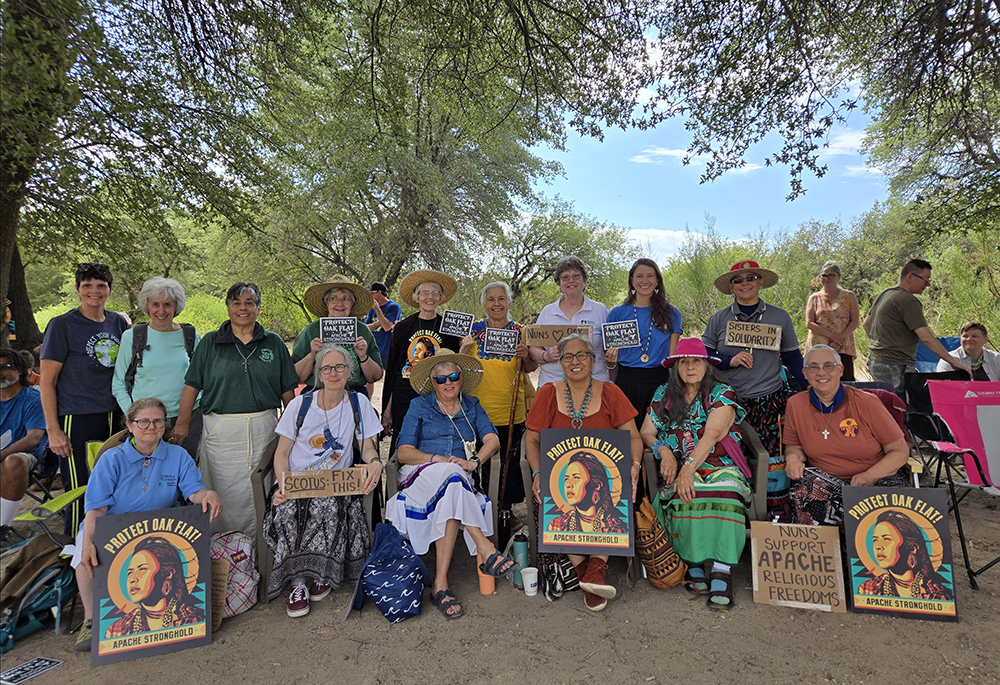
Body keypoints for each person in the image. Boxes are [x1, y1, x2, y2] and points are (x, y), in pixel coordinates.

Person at [71, 397, 221, 651]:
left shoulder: (178, 455)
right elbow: (96, 508)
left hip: (161, 525)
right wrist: (88, 542)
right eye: (143, 422)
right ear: (129, 425)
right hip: (114, 524)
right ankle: (90, 619)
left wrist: (207, 494)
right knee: (84, 557)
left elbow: (193, 492)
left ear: (165, 425)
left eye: (158, 421)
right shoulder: (111, 459)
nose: (151, 427)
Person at [385, 354, 515, 620]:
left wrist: (475, 461)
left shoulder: (472, 405)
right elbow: (404, 452)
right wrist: (437, 460)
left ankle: (440, 584)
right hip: (420, 474)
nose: (448, 383)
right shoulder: (418, 406)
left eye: (453, 377)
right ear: (433, 383)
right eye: (441, 379)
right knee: (452, 474)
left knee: (453, 482)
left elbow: (492, 439)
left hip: (457, 479)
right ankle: (486, 548)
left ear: (461, 379)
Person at [525, 333, 643, 612]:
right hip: (562, 478)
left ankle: (597, 568)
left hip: (603, 477)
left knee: (613, 493)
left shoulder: (612, 392)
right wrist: (538, 473)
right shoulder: (547, 393)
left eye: (582, 356)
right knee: (552, 498)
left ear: (593, 361)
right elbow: (531, 440)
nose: (575, 361)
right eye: (568, 356)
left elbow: (634, 439)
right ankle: (583, 571)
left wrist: (635, 466)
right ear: (560, 362)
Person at [264, 344, 383, 617]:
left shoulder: (358, 403)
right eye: (327, 368)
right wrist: (284, 485)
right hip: (296, 481)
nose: (334, 373)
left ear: (348, 372)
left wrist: (375, 462)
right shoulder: (300, 405)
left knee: (330, 505)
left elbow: (366, 448)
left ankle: (321, 573)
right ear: (318, 373)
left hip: (334, 483)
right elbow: (281, 454)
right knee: (290, 509)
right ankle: (297, 582)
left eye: (340, 367)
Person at [174, 282, 297, 535]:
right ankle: (222, 553)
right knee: (221, 491)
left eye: (249, 303)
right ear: (228, 307)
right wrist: (182, 424)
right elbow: (192, 386)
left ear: (259, 308)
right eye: (237, 303)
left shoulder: (273, 343)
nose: (243, 308)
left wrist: (293, 428)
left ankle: (260, 552)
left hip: (264, 428)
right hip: (221, 432)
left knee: (261, 489)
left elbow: (288, 390)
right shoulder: (209, 342)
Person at [639, 338, 750, 611]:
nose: (690, 367)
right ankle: (694, 562)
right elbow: (646, 431)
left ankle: (722, 571)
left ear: (707, 366)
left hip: (718, 464)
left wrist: (688, 468)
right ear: (675, 367)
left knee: (725, 492)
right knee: (680, 494)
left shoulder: (721, 392)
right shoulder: (664, 393)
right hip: (676, 463)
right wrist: (663, 450)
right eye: (684, 362)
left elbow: (713, 434)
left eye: (696, 361)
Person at [701, 260, 805, 520]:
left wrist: (810, 388)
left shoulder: (779, 317)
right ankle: (736, 518)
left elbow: (792, 356)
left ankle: (771, 518)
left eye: (751, 277)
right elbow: (704, 355)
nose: (744, 282)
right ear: (731, 288)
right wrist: (729, 360)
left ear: (760, 283)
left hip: (769, 400)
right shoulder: (719, 319)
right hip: (729, 403)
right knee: (733, 461)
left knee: (771, 464)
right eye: (738, 279)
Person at [40, 262, 129, 536]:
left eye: (101, 285)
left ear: (109, 290)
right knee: (82, 488)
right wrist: (53, 430)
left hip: (113, 416)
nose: (94, 291)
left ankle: (108, 550)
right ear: (78, 290)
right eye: (87, 285)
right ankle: (75, 551)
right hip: (76, 417)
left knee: (114, 484)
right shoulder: (63, 325)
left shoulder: (119, 322)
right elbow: (47, 382)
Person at [784, 345, 909, 529]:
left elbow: (899, 451)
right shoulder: (795, 404)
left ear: (840, 370)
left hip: (874, 475)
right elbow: (794, 446)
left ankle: (865, 554)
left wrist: (870, 476)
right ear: (804, 373)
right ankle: (826, 553)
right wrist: (793, 459)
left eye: (828, 366)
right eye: (813, 367)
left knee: (891, 509)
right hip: (826, 479)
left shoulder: (867, 403)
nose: (821, 372)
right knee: (804, 492)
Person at [459, 281, 538, 529]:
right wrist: (463, 349)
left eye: (501, 299)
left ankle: (505, 510)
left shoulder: (520, 331)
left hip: (510, 411)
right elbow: (459, 369)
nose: (496, 304)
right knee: (476, 462)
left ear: (509, 303)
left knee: (508, 465)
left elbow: (530, 369)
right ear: (484, 304)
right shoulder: (474, 331)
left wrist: (526, 357)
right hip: (476, 412)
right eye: (491, 299)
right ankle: (477, 511)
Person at [112, 277, 202, 456]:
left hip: (187, 419)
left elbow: (201, 380)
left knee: (184, 473)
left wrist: (185, 419)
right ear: (147, 306)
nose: (161, 310)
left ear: (176, 306)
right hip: (146, 421)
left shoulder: (190, 336)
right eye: (155, 304)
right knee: (147, 474)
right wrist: (136, 419)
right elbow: (118, 384)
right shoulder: (132, 337)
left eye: (167, 304)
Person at [381, 269, 462, 456]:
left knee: (434, 446)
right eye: (425, 293)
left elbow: (455, 363)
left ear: (441, 298)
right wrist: (388, 409)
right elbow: (393, 369)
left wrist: (463, 348)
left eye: (435, 293)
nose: (430, 297)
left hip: (438, 397)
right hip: (404, 397)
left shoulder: (449, 328)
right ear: (417, 297)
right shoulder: (402, 328)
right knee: (402, 447)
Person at [863, 258, 970, 393]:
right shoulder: (908, 301)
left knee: (886, 404)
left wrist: (881, 346)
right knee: (900, 407)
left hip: (876, 362)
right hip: (896, 365)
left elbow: (866, 324)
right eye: (925, 280)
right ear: (910, 276)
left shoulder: (884, 294)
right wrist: (953, 362)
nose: (928, 285)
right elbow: (926, 338)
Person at [606, 258, 682, 427]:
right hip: (626, 381)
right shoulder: (616, 313)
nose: (645, 281)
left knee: (656, 433)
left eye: (650, 276)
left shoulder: (672, 313)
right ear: (632, 281)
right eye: (639, 276)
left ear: (657, 281)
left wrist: (675, 388)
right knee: (625, 435)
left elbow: (672, 357)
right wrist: (610, 361)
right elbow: (610, 358)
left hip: (659, 381)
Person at [293, 277, 383, 397]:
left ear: (352, 303)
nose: (339, 304)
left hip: (354, 394)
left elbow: (375, 376)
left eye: (345, 299)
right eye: (333, 298)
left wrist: (363, 356)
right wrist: (312, 354)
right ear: (326, 303)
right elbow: (296, 377)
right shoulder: (311, 331)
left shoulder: (362, 330)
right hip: (317, 394)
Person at [530, 256, 612, 387]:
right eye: (565, 277)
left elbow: (610, 351)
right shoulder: (547, 311)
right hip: (552, 384)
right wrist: (546, 355)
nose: (571, 281)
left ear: (584, 281)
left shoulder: (600, 310)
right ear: (559, 283)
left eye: (576, 276)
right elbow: (534, 348)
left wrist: (611, 359)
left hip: (594, 385)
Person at [103, 536, 206, 638]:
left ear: (168, 574)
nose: (132, 579)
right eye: (130, 573)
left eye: (142, 569)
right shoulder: (116, 630)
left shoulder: (194, 619)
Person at [858, 510, 953, 600]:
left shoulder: (937, 595)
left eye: (886, 539)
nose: (878, 546)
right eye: (875, 540)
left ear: (913, 548)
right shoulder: (868, 588)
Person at [0, 349, 47, 531]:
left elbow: (34, 438)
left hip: (27, 458)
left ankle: (3, 528)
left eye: (4, 367)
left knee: (14, 461)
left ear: (20, 370)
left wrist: (1, 455)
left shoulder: (33, 399)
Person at [545, 451, 628, 534]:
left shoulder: (616, 528)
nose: (568, 485)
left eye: (576, 477)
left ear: (597, 485)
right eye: (566, 479)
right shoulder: (556, 525)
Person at [805, 261, 861, 381]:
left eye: (831, 275)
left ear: (839, 277)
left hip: (843, 347)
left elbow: (855, 321)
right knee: (819, 381)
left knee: (845, 383)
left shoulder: (849, 296)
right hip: (819, 347)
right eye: (824, 275)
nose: (827, 278)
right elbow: (809, 323)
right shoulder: (814, 298)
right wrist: (832, 336)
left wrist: (839, 340)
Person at [365, 281, 402, 396]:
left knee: (392, 379)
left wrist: (378, 310)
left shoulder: (393, 307)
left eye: (372, 293)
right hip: (373, 349)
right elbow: (366, 328)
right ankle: (367, 403)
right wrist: (377, 323)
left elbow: (387, 327)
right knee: (368, 379)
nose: (370, 296)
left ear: (379, 293)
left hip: (388, 349)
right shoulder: (371, 309)